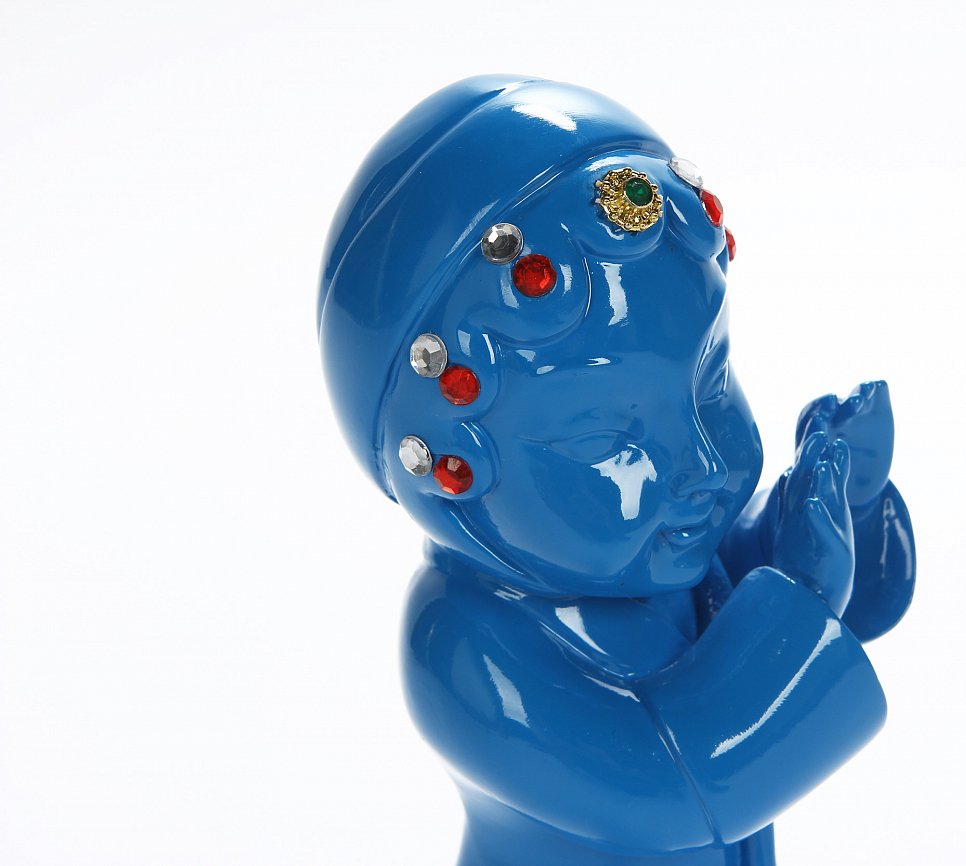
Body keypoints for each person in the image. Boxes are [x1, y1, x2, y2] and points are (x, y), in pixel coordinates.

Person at [318, 75, 916, 866]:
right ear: (450, 476)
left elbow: (761, 591)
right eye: (606, 440)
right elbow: (675, 784)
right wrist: (801, 603)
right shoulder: (462, 645)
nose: (704, 463)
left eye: (711, 380)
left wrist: (841, 507)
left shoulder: (663, 551)